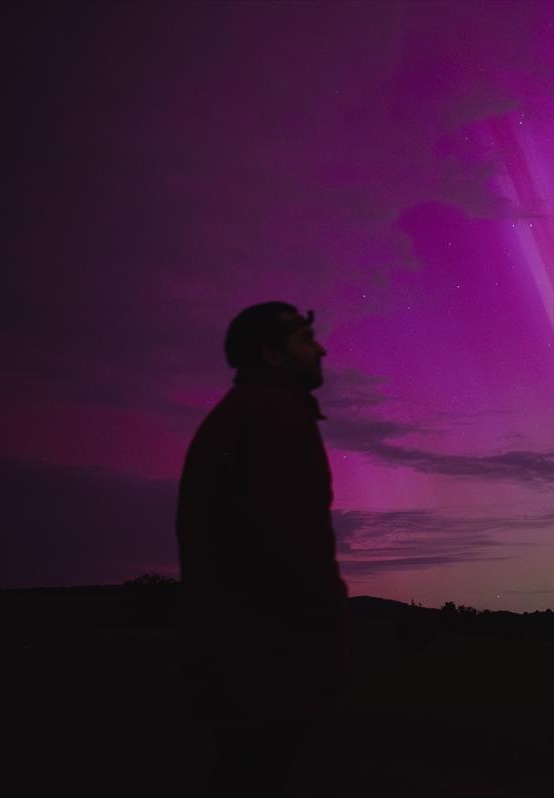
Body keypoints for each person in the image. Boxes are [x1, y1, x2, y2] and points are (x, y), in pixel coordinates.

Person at [176, 301, 349, 798]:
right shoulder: (274, 415)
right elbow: (287, 538)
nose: (321, 350)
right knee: (254, 776)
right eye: (305, 340)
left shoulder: (242, 413)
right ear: (273, 354)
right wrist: (325, 624)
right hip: (265, 660)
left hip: (238, 655)